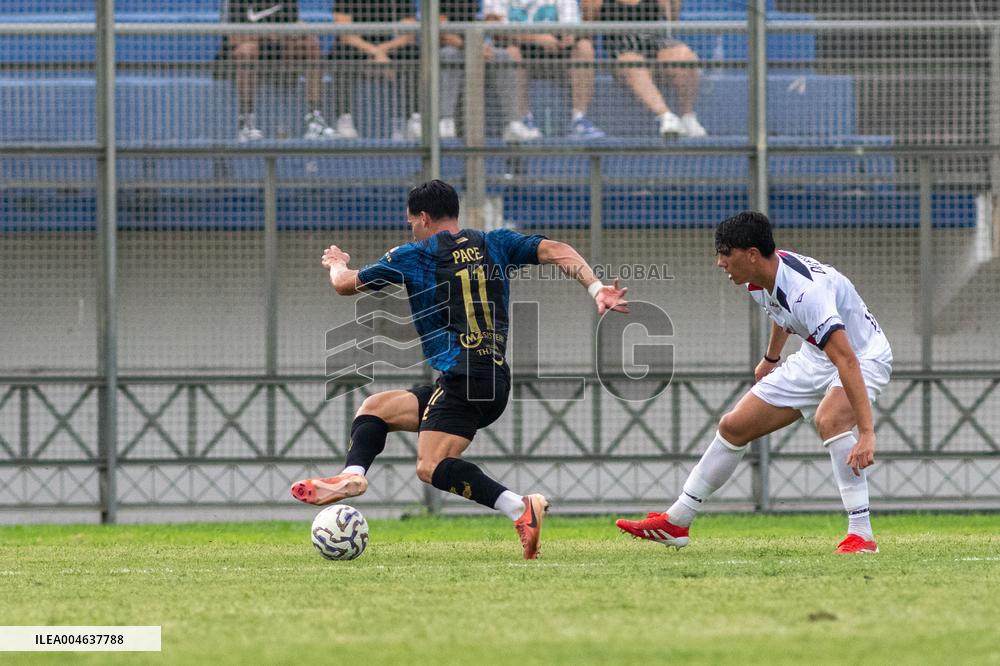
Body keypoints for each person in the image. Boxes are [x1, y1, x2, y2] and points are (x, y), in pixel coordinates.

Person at [291, 180, 629, 559]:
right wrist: (596, 288)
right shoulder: (495, 242)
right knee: (376, 408)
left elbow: (344, 285)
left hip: (463, 377)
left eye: (411, 222)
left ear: (422, 218)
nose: (411, 229)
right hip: (490, 377)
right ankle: (353, 475)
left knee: (430, 465)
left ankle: (520, 508)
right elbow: (557, 250)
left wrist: (337, 263)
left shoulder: (413, 255)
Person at [616, 212, 892, 553]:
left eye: (725, 253)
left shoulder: (809, 293)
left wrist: (866, 433)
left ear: (750, 254)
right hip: (815, 355)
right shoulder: (757, 278)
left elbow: (846, 359)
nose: (719, 262)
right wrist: (772, 358)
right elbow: (783, 314)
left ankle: (861, 534)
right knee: (734, 426)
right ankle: (677, 521)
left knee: (830, 419)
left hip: (863, 355)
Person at [483, 0, 605, 139]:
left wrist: (569, 36)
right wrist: (535, 37)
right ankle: (522, 120)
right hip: (518, 47)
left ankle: (579, 120)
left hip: (555, 49)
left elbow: (570, 23)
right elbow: (496, 29)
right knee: (511, 52)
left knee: (584, 47)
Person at [582, 0, 706, 138]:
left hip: (657, 43)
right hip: (623, 49)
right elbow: (588, 30)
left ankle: (687, 116)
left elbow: (672, 19)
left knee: (684, 54)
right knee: (631, 62)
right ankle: (666, 116)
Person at [222, 0, 336, 141]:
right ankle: (246, 123)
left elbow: (293, 25)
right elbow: (234, 38)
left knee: (311, 44)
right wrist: (269, 33)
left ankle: (315, 119)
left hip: (279, 47)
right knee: (247, 50)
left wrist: (288, 33)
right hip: (253, 47)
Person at [437, 0, 541, 142]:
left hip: (478, 48)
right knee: (449, 55)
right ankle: (446, 121)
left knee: (504, 56)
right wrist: (472, 47)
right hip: (452, 49)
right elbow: (442, 32)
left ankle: (512, 124)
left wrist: (487, 29)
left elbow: (492, 23)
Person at [329, 0, 420, 140]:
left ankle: (415, 118)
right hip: (358, 49)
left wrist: (382, 50)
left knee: (413, 53)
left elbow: (408, 35)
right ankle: (344, 117)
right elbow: (345, 34)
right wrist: (375, 52)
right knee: (339, 53)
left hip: (389, 48)